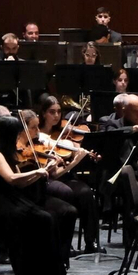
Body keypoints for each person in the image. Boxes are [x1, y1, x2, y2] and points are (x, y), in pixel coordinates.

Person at [0, 114, 66, 275]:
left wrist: (44, 172)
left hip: (11, 199)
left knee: (48, 217)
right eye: (16, 135)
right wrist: (36, 171)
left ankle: (47, 271)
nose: (18, 138)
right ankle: (33, 272)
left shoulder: (7, 153)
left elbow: (20, 183)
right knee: (42, 219)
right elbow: (11, 178)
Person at [29, 95, 100, 253]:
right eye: (51, 112)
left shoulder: (64, 132)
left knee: (86, 193)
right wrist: (74, 161)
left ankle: (91, 241)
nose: (56, 116)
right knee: (66, 194)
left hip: (66, 176)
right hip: (51, 178)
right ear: (43, 113)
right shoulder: (36, 136)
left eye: (59, 112)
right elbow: (53, 174)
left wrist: (81, 154)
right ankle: (64, 242)